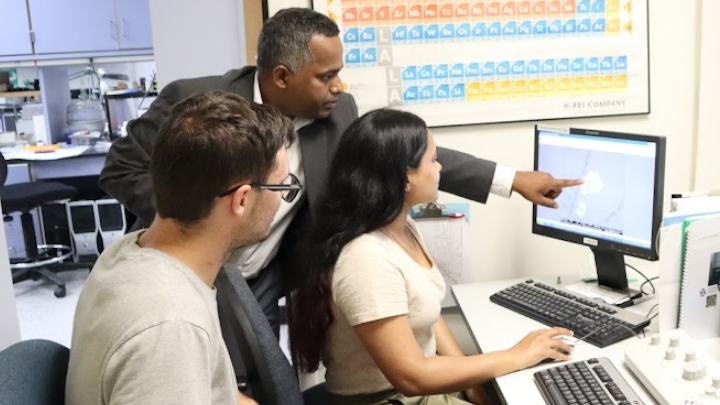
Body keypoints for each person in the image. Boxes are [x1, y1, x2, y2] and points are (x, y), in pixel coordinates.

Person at [99, 8, 581, 337]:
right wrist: (202, 216)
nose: (339, 85)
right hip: (182, 266)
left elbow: (404, 153)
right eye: (326, 76)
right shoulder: (196, 100)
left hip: (264, 276)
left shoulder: (338, 112)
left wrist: (512, 179)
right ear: (281, 76)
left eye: (339, 72)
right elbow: (119, 170)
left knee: (263, 380)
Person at [287, 108, 574, 405]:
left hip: (416, 388)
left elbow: (428, 313)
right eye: (433, 160)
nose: (440, 170)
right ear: (404, 178)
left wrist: (472, 382)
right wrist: (516, 355)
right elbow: (412, 377)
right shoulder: (365, 259)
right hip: (390, 397)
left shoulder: (401, 225)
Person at [66, 90, 297, 405]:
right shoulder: (170, 325)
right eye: (281, 186)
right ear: (241, 200)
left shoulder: (129, 252)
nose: (283, 197)